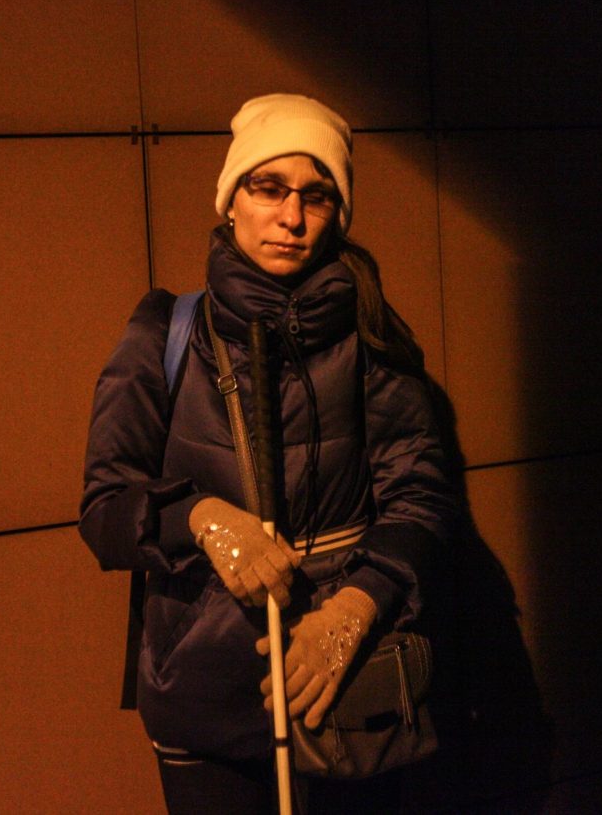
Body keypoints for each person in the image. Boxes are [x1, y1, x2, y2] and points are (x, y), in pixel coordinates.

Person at [80, 94, 454, 814]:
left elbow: (422, 499)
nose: (291, 217)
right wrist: (203, 518)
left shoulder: (368, 332)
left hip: (343, 686)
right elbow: (105, 507)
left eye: (316, 196)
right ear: (231, 201)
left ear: (337, 213)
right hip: (203, 694)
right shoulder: (165, 331)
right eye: (269, 188)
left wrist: (352, 610)